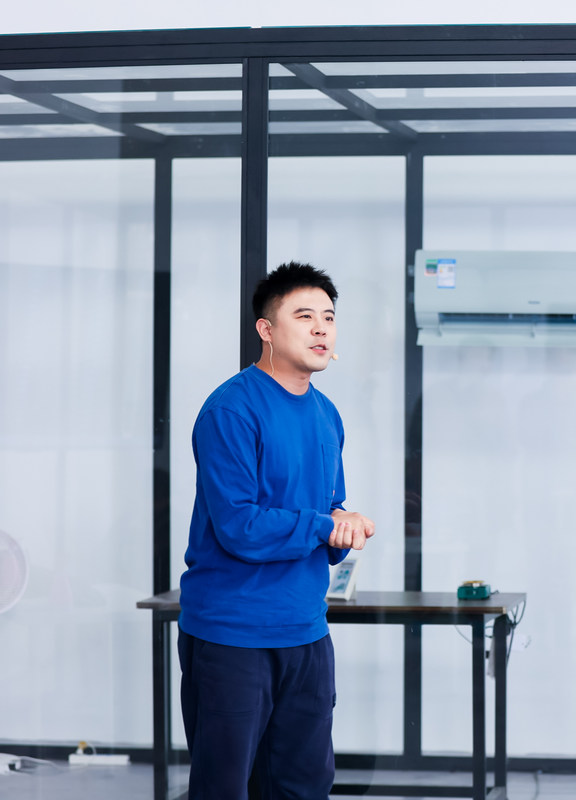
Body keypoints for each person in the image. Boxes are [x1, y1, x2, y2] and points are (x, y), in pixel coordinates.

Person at [177, 261, 375, 799]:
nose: (321, 329)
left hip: (307, 632)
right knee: (224, 787)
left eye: (329, 317)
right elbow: (240, 526)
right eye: (304, 316)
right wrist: (325, 525)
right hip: (232, 635)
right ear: (266, 329)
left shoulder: (327, 414)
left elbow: (326, 508)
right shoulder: (230, 410)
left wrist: (343, 522)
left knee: (304, 786)